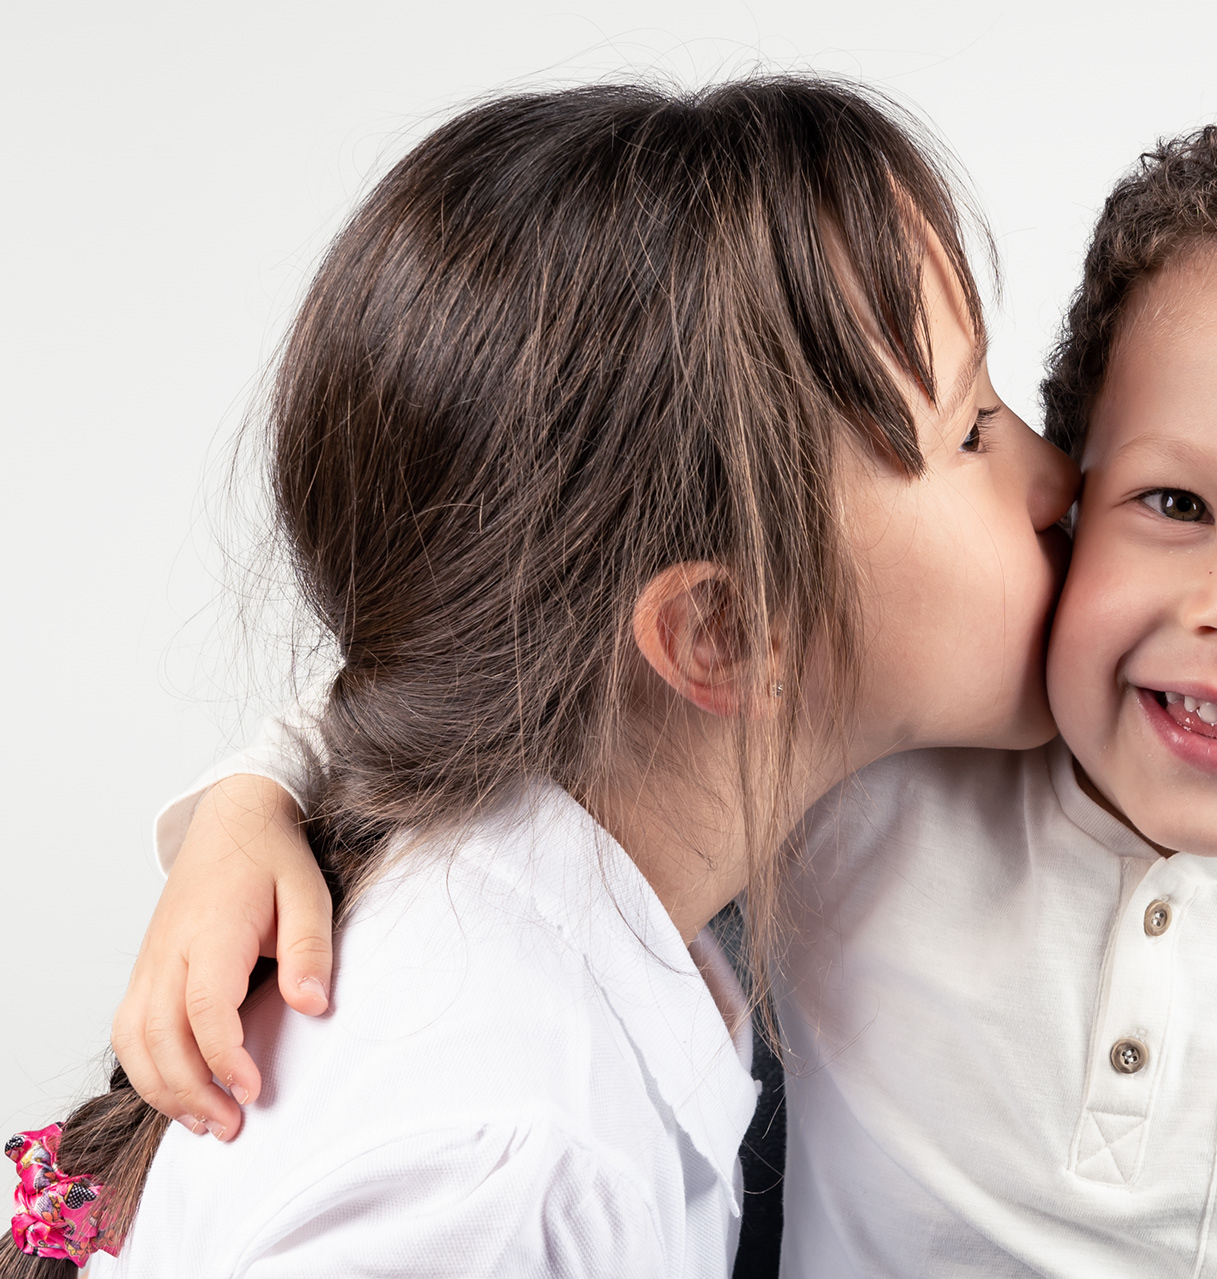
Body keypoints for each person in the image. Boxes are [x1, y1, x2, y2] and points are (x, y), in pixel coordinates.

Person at [95, 112, 1217, 1277]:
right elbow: (517, 650)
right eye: (1166, 502)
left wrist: (246, 805)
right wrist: (251, 802)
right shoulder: (852, 806)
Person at [2, 76, 1076, 1278]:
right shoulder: (500, 1171)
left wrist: (248, 791)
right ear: (724, 634)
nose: (1061, 479)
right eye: (972, 431)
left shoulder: (569, 911)